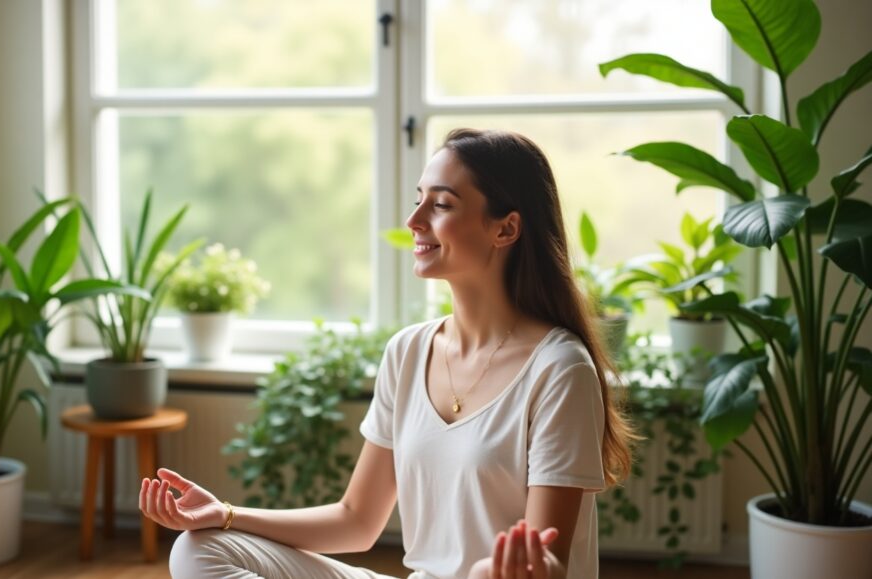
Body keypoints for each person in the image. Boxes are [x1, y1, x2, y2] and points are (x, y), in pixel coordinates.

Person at [139, 128, 636, 579]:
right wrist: (225, 514)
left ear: (504, 229)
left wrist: (498, 572)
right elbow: (356, 521)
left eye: (440, 205)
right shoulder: (409, 351)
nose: (414, 220)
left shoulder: (560, 368)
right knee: (199, 549)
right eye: (419, 199)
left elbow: (548, 559)